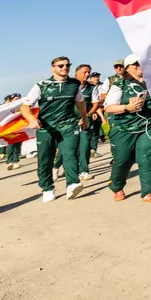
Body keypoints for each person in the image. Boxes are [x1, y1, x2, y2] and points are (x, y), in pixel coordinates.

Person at [104, 54, 151, 203]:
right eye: (135, 64)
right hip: (124, 128)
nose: (139, 66)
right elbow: (109, 107)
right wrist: (127, 107)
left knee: (148, 157)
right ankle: (117, 186)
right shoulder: (120, 85)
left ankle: (148, 191)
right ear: (128, 69)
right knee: (123, 160)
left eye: (141, 63)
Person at [20, 57, 90, 202]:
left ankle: (72, 183)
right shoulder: (42, 85)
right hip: (47, 127)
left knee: (70, 154)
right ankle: (47, 188)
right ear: (53, 68)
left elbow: (80, 102)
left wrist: (84, 117)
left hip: (68, 125)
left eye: (67, 65)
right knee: (45, 159)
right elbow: (25, 107)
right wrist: (32, 119)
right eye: (60, 65)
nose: (65, 68)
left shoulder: (74, 84)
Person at [71, 64, 98, 183]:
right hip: (70, 122)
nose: (87, 75)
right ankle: (56, 167)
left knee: (85, 145)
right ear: (76, 73)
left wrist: (86, 115)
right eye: (85, 72)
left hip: (85, 121)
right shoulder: (69, 85)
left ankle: (84, 171)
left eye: (89, 72)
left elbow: (95, 104)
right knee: (68, 149)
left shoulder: (92, 88)